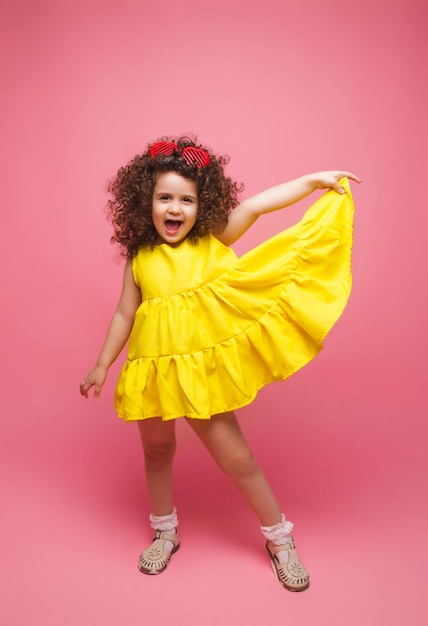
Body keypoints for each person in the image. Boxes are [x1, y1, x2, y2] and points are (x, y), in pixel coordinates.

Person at [80, 136, 360, 592]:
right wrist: (101, 364)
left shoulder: (212, 240)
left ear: (202, 205)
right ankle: (165, 532)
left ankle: (279, 539)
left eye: (186, 200)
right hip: (151, 370)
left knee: (238, 458)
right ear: (144, 202)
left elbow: (255, 206)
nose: (175, 209)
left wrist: (313, 182)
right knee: (156, 452)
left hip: (199, 374)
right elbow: (123, 313)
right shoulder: (140, 258)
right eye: (164, 198)